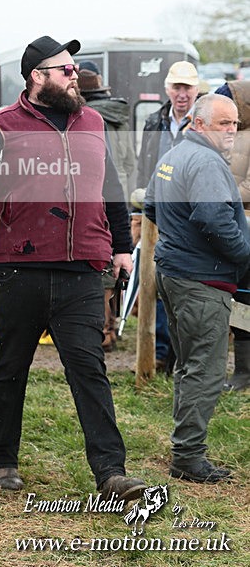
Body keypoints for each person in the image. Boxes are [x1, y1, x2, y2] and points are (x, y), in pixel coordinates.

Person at [0, 35, 146, 502]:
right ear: (36, 76)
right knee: (11, 366)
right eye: (65, 68)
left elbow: (112, 189)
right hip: (18, 267)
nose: (74, 74)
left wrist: (121, 247)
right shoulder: (0, 126)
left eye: (75, 67)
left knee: (89, 369)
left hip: (82, 268)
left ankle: (111, 472)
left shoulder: (95, 122)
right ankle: (1, 460)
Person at [144, 94, 250, 483]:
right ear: (199, 123)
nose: (231, 131)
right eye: (223, 123)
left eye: (235, 124)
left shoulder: (174, 154)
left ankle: (184, 446)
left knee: (189, 365)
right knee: (204, 370)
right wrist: (244, 255)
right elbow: (212, 217)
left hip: (175, 273)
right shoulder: (205, 162)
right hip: (202, 279)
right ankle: (189, 457)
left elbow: (152, 207)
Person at [133, 61, 200, 371]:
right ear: (167, 89)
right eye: (177, 87)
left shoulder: (205, 121)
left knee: (188, 286)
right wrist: (140, 208)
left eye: (187, 87)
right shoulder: (154, 121)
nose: (181, 94)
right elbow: (144, 165)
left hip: (195, 213)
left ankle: (183, 353)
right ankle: (160, 352)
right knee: (157, 282)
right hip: (159, 214)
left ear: (196, 90)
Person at [78, 61, 136, 351]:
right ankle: (113, 325)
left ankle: (103, 331)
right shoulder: (121, 117)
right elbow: (129, 162)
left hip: (97, 198)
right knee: (119, 264)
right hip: (121, 198)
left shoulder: (86, 119)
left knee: (101, 267)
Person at [215, 80, 250, 391]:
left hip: (247, 225)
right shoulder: (233, 137)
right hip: (236, 226)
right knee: (241, 300)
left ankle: (244, 373)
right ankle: (242, 371)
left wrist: (217, 193)